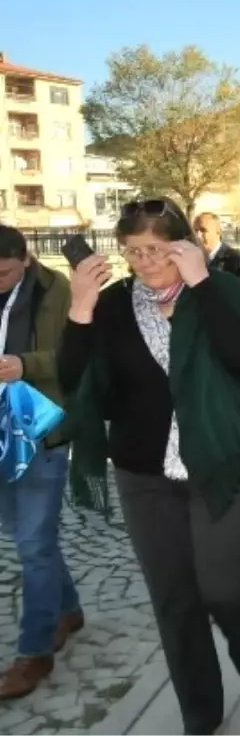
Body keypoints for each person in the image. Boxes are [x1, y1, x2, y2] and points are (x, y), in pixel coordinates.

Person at [60, 198, 240, 736]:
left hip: (220, 460)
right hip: (143, 471)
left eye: (156, 249)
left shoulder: (220, 289)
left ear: (182, 244)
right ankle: (200, 714)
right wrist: (81, 308)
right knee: (174, 598)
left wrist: (202, 284)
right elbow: (77, 381)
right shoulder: (113, 304)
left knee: (224, 584)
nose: (145, 261)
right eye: (134, 251)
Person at [0, 226, 80, 700]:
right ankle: (68, 608)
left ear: (24, 260)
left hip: (39, 427)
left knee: (32, 543)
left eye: (5, 272)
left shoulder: (57, 291)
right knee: (28, 536)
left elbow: (75, 356)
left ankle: (34, 652)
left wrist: (25, 365)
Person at [192, 212, 240, 297]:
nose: (198, 236)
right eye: (195, 231)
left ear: (218, 232)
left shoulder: (235, 259)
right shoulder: (193, 262)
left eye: (203, 230)